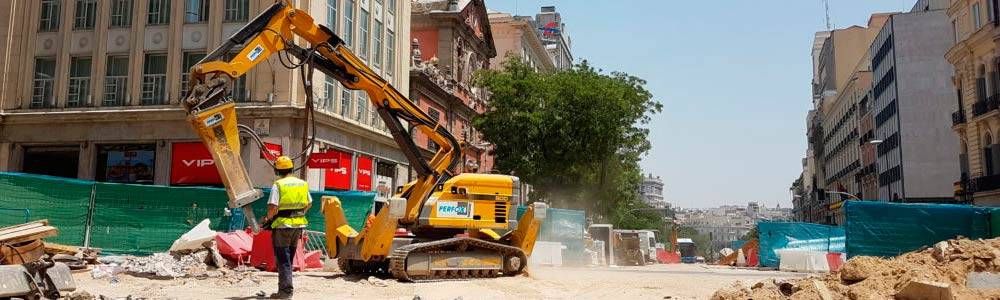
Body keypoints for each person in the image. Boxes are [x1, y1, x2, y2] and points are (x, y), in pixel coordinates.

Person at [262, 156, 312, 299]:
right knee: (288, 259)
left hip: (283, 226)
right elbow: (309, 203)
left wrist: (269, 219)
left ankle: (285, 292)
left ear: (277, 170)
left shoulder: (278, 184)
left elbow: (273, 206)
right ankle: (284, 290)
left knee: (283, 258)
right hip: (298, 225)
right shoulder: (302, 184)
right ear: (291, 168)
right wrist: (297, 214)